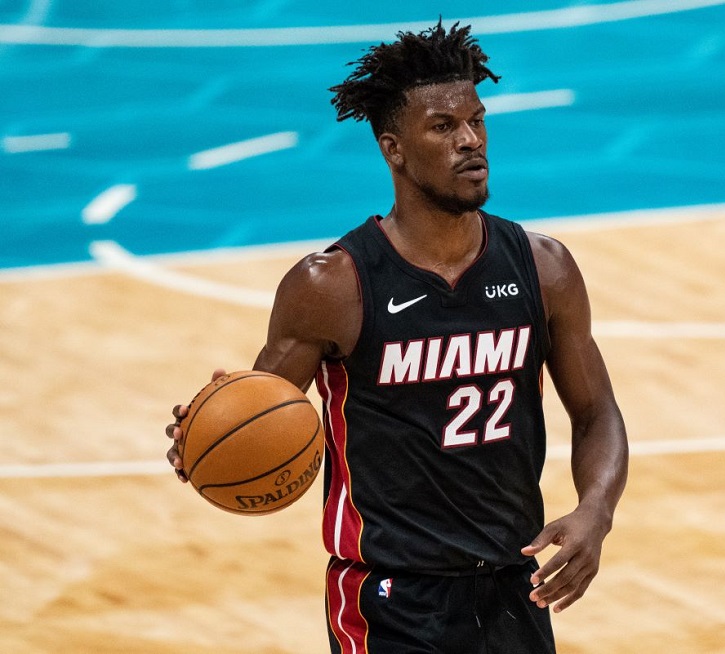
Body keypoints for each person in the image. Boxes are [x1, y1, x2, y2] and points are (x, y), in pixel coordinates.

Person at [166, 20, 628, 654]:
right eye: (443, 126)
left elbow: (597, 412)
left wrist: (596, 511)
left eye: (477, 120)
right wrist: (208, 432)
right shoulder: (332, 286)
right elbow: (262, 413)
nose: (470, 140)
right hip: (389, 599)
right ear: (394, 149)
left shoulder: (544, 268)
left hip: (511, 586)